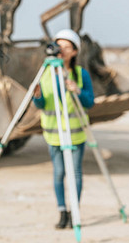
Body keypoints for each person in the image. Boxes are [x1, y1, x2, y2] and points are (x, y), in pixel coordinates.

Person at [33, 29, 94, 229]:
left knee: (75, 173)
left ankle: (74, 211)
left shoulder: (80, 74)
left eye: (67, 47)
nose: (63, 51)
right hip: (53, 133)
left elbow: (89, 102)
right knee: (59, 173)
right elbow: (42, 105)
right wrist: (37, 96)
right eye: (59, 46)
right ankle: (62, 211)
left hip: (76, 133)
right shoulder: (45, 73)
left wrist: (76, 89)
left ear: (75, 51)